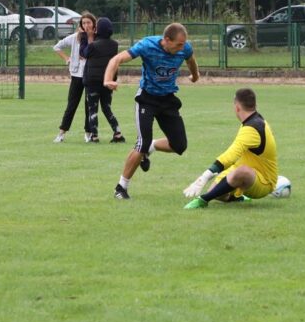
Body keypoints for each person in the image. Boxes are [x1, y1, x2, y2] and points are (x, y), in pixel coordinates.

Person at [104, 22, 199, 199]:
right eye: (178, 44)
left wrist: (195, 75)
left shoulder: (184, 48)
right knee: (142, 143)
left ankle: (151, 147)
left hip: (168, 99)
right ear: (166, 40)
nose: (182, 48)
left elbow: (191, 59)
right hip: (147, 99)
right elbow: (116, 60)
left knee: (179, 145)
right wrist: (108, 79)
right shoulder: (147, 45)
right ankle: (121, 188)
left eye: (183, 44)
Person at [182, 87, 278, 209]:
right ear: (255, 105)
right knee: (217, 193)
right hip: (244, 170)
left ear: (237, 107)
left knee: (242, 171)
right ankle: (238, 198)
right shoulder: (253, 120)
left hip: (264, 181)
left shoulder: (253, 128)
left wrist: (204, 177)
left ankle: (203, 200)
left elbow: (230, 156)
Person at [52, 11, 96, 143]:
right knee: (72, 104)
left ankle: (88, 133)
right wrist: (67, 59)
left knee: (89, 105)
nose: (86, 25)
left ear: (93, 24)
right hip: (77, 75)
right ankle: (61, 133)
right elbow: (57, 47)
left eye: (88, 22)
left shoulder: (97, 38)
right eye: (84, 23)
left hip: (91, 75)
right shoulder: (75, 37)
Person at [82, 17, 124, 143]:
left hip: (92, 82)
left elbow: (84, 53)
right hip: (108, 81)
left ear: (98, 29)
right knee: (107, 108)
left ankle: (94, 136)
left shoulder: (93, 45)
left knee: (92, 109)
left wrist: (89, 38)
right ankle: (117, 133)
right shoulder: (114, 45)